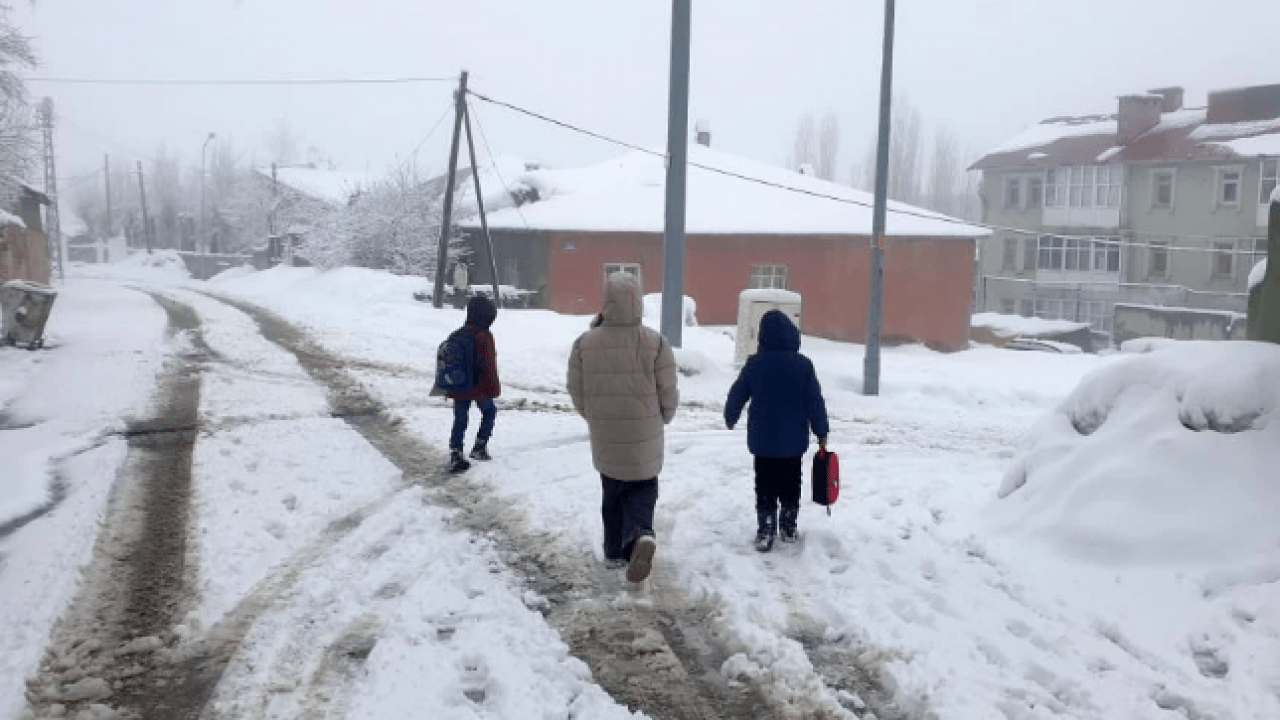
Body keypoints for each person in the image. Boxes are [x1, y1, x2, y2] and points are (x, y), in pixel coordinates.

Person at [568, 274, 679, 582]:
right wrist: (664, 416)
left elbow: (576, 389)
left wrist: (593, 416)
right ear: (639, 302)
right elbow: (667, 388)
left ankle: (615, 551)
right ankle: (641, 533)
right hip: (645, 434)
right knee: (643, 487)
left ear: (606, 302)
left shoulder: (585, 343)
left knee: (613, 490)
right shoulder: (655, 342)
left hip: (606, 433)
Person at [724, 310, 829, 552]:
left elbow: (737, 392)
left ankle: (766, 527)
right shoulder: (803, 366)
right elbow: (815, 401)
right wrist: (821, 431)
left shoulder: (755, 364)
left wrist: (731, 416)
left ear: (763, 337)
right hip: (793, 443)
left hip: (763, 442)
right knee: (791, 482)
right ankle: (789, 525)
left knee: (765, 484)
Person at [447, 295, 501, 473]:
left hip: (459, 387)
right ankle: (479, 447)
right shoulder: (484, 336)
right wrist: (493, 389)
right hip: (479, 388)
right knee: (489, 412)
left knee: (460, 419)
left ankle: (456, 452)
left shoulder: (455, 335)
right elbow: (488, 365)